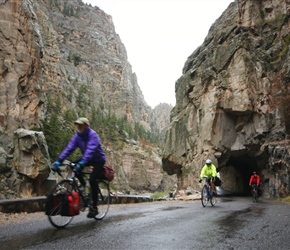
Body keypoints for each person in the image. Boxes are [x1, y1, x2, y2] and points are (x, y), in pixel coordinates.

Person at [52, 117, 106, 218]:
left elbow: (90, 150)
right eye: (77, 125)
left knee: (93, 179)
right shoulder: (78, 136)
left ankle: (94, 207)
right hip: (87, 158)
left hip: (98, 160)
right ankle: (84, 185)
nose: (79, 126)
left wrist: (83, 162)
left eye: (81, 125)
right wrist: (59, 161)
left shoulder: (93, 135)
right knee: (73, 165)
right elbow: (69, 148)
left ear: (87, 126)